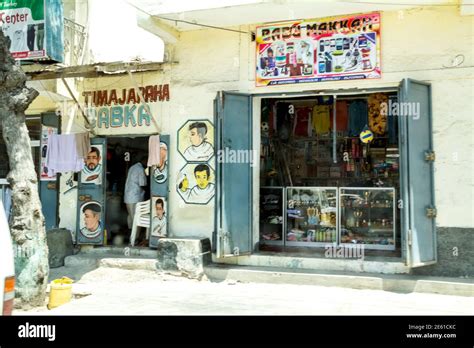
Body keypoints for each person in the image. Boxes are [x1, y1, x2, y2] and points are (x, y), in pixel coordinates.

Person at [124, 155, 148, 233]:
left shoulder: (132, 167)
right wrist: (148, 191)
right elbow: (142, 184)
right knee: (137, 219)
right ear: (144, 161)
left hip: (128, 197)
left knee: (131, 217)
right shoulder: (140, 169)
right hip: (135, 197)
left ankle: (131, 236)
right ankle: (135, 238)